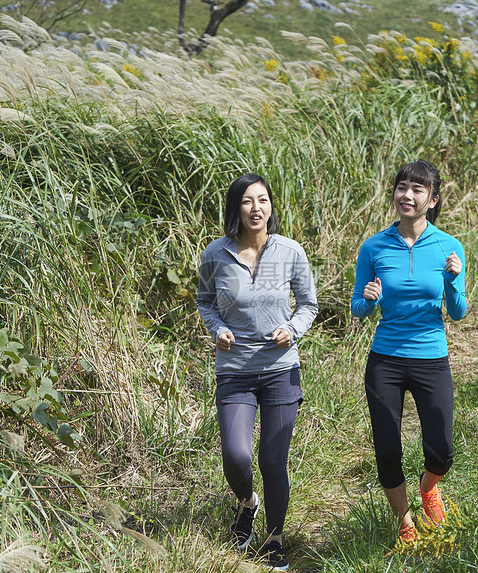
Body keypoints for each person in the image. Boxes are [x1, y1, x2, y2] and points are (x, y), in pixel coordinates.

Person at [195, 173, 318, 571]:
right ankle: (248, 502)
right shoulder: (216, 253)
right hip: (234, 371)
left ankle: (273, 539)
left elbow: (308, 305)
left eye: (262, 200)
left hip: (282, 369)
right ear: (236, 208)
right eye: (247, 201)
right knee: (235, 455)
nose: (256, 208)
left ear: (271, 206)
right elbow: (205, 302)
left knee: (272, 461)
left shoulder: (290, 251)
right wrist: (218, 330)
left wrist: (293, 329)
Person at [351, 160, 466, 546]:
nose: (408, 195)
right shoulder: (374, 246)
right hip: (385, 359)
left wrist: (452, 282)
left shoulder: (449, 246)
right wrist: (368, 300)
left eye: (418, 190)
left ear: (432, 200)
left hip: (431, 357)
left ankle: (428, 488)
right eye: (402, 187)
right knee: (387, 449)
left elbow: (459, 312)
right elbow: (357, 307)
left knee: (443, 450)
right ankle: (404, 521)